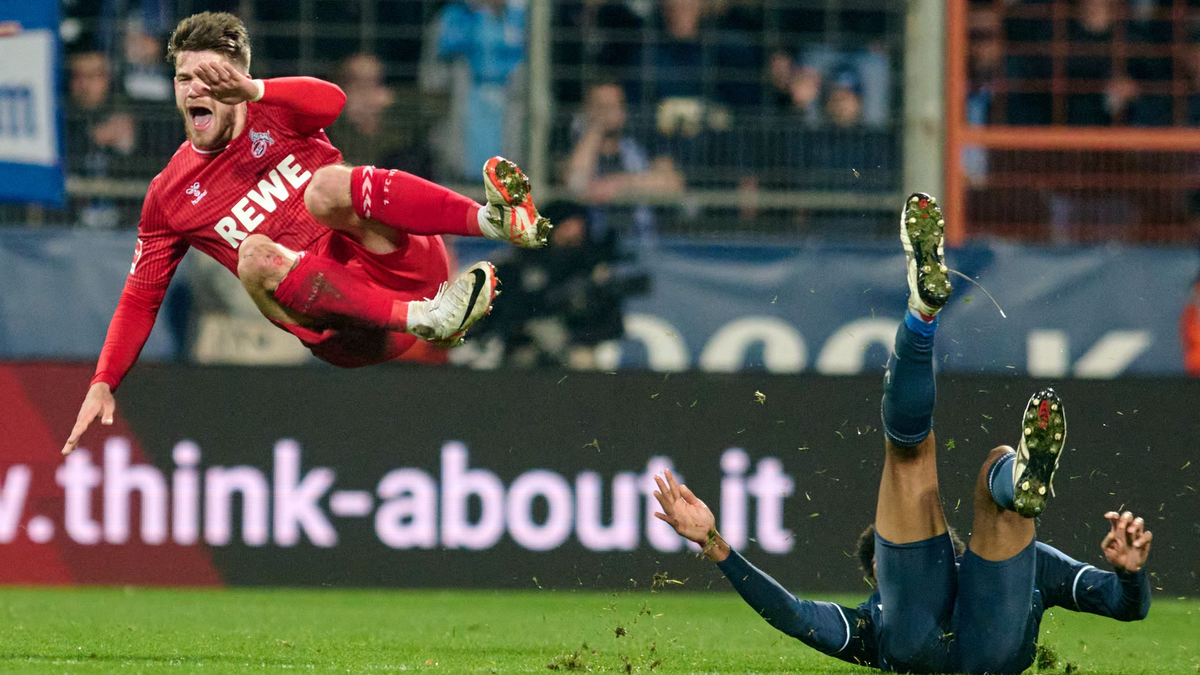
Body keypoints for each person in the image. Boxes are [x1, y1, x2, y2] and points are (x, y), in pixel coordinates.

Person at [652, 193, 1153, 674]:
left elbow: (796, 616)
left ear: (877, 574)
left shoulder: (871, 622)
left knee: (916, 459)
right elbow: (1125, 607)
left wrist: (716, 544)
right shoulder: (1036, 567)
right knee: (969, 467)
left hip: (909, 641)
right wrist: (1130, 575)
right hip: (996, 653)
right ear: (950, 547)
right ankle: (1012, 473)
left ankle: (924, 319)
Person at [61, 12, 552, 456]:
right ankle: (425, 320)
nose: (194, 89)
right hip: (348, 327)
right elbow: (139, 298)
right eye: (184, 78)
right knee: (254, 255)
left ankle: (495, 221)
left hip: (406, 268)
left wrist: (257, 92)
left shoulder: (276, 110)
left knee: (326, 188)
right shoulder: (168, 196)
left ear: (238, 79)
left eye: (211, 78)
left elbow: (333, 101)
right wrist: (104, 380)